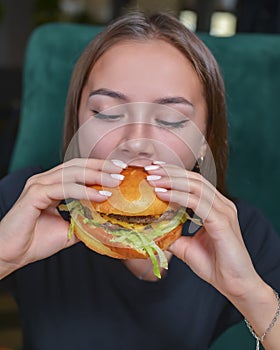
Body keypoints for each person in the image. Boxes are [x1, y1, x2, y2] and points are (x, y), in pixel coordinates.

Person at [0, 12, 280, 350]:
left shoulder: (241, 231)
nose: (136, 141)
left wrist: (250, 293)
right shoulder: (22, 202)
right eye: (108, 113)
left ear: (204, 140)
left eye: (170, 119)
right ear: (78, 124)